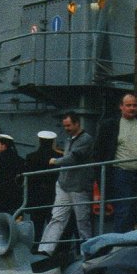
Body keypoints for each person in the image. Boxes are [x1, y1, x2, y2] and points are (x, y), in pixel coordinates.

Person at [94, 94, 137, 232]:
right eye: (128, 105)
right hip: (120, 173)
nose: (132, 108)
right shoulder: (110, 125)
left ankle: (124, 236)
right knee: (123, 209)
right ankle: (120, 244)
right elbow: (98, 151)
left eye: (134, 105)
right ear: (121, 107)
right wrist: (99, 176)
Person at [36, 112, 96, 264]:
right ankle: (45, 250)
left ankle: (87, 253)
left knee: (83, 221)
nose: (66, 128)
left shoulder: (86, 139)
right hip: (64, 185)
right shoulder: (70, 139)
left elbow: (74, 158)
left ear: (77, 124)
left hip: (79, 186)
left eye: (69, 125)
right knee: (57, 217)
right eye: (65, 126)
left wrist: (56, 161)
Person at [20, 130, 59, 245]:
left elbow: (28, 181)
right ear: (52, 142)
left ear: (40, 141)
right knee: (53, 225)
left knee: (37, 227)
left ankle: (35, 249)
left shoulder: (31, 157)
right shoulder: (59, 156)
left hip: (36, 198)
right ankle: (53, 250)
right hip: (54, 196)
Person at [0, 133, 26, 218]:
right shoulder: (20, 160)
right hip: (16, 198)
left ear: (4, 146)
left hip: (1, 199)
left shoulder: (0, 160)